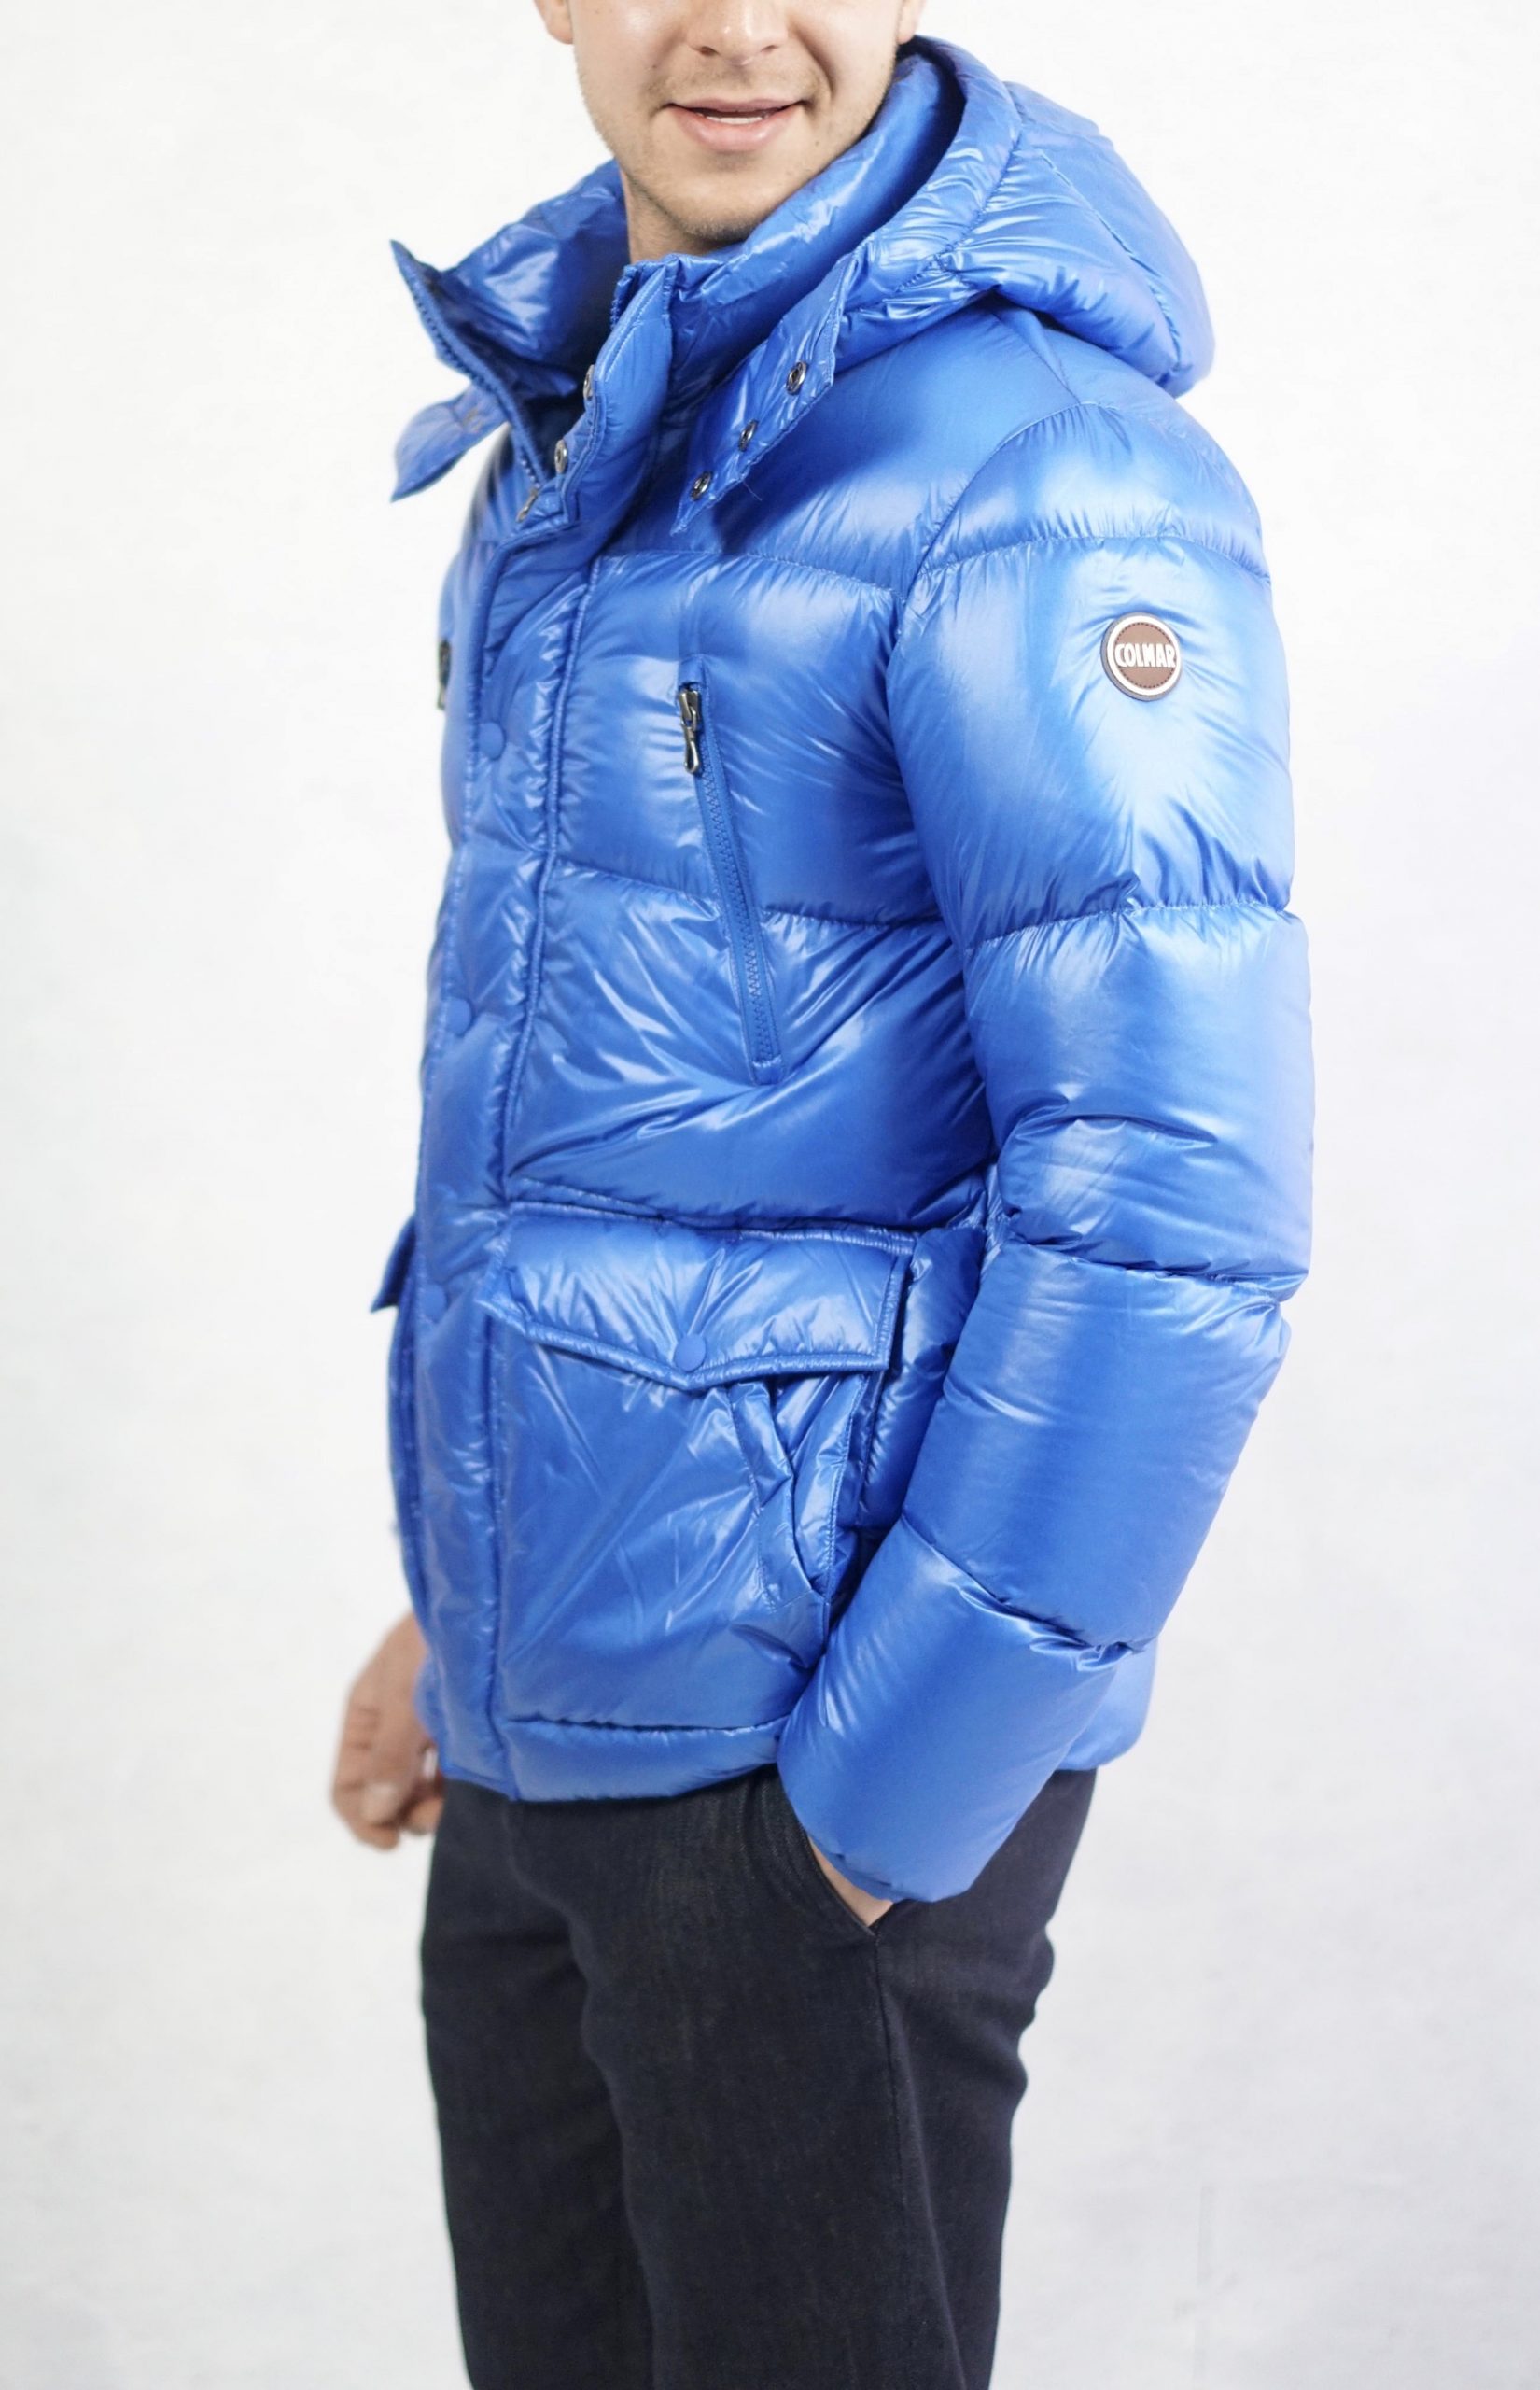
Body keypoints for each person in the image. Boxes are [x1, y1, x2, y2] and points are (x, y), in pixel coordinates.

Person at [330, 6, 1313, 2384]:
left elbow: (1173, 1200)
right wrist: (477, 1605)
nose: (739, 25)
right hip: (562, 1709)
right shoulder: (583, 425)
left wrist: (880, 1808)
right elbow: (611, 1107)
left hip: (812, 1772)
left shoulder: (1051, 474)